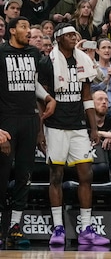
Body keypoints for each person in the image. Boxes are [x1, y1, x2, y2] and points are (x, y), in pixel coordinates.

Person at [38, 23, 109, 247]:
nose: (73, 37)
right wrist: (40, 132)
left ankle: (86, 229)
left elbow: (87, 95)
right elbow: (41, 99)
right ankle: (58, 227)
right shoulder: (46, 63)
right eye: (68, 35)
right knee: (56, 176)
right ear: (58, 38)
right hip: (55, 125)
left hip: (78, 125)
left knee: (86, 175)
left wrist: (94, 128)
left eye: (74, 35)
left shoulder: (83, 60)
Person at [0, 17, 56, 246]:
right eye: (23, 27)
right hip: (6, 122)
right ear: (12, 31)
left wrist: (47, 97)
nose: (28, 31)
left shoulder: (33, 54)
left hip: (30, 119)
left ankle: (14, 226)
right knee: (2, 177)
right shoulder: (1, 53)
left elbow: (33, 83)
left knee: (25, 176)